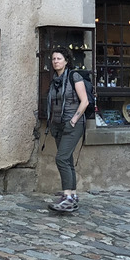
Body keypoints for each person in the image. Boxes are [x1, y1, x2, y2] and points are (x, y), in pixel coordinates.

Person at [46, 47, 88, 212]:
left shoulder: (74, 76)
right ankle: (73, 195)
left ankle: (67, 197)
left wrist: (74, 119)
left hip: (73, 124)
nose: (56, 61)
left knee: (61, 159)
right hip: (58, 124)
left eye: (59, 59)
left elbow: (84, 101)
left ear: (66, 61)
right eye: (54, 59)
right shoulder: (55, 80)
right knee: (67, 159)